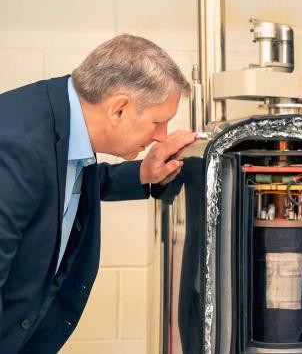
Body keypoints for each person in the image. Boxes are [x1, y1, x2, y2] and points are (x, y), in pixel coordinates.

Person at [0, 34, 197, 353]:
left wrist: (143, 174)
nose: (161, 137)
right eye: (158, 122)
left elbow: (65, 183)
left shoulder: (63, 119)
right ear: (119, 108)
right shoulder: (17, 150)